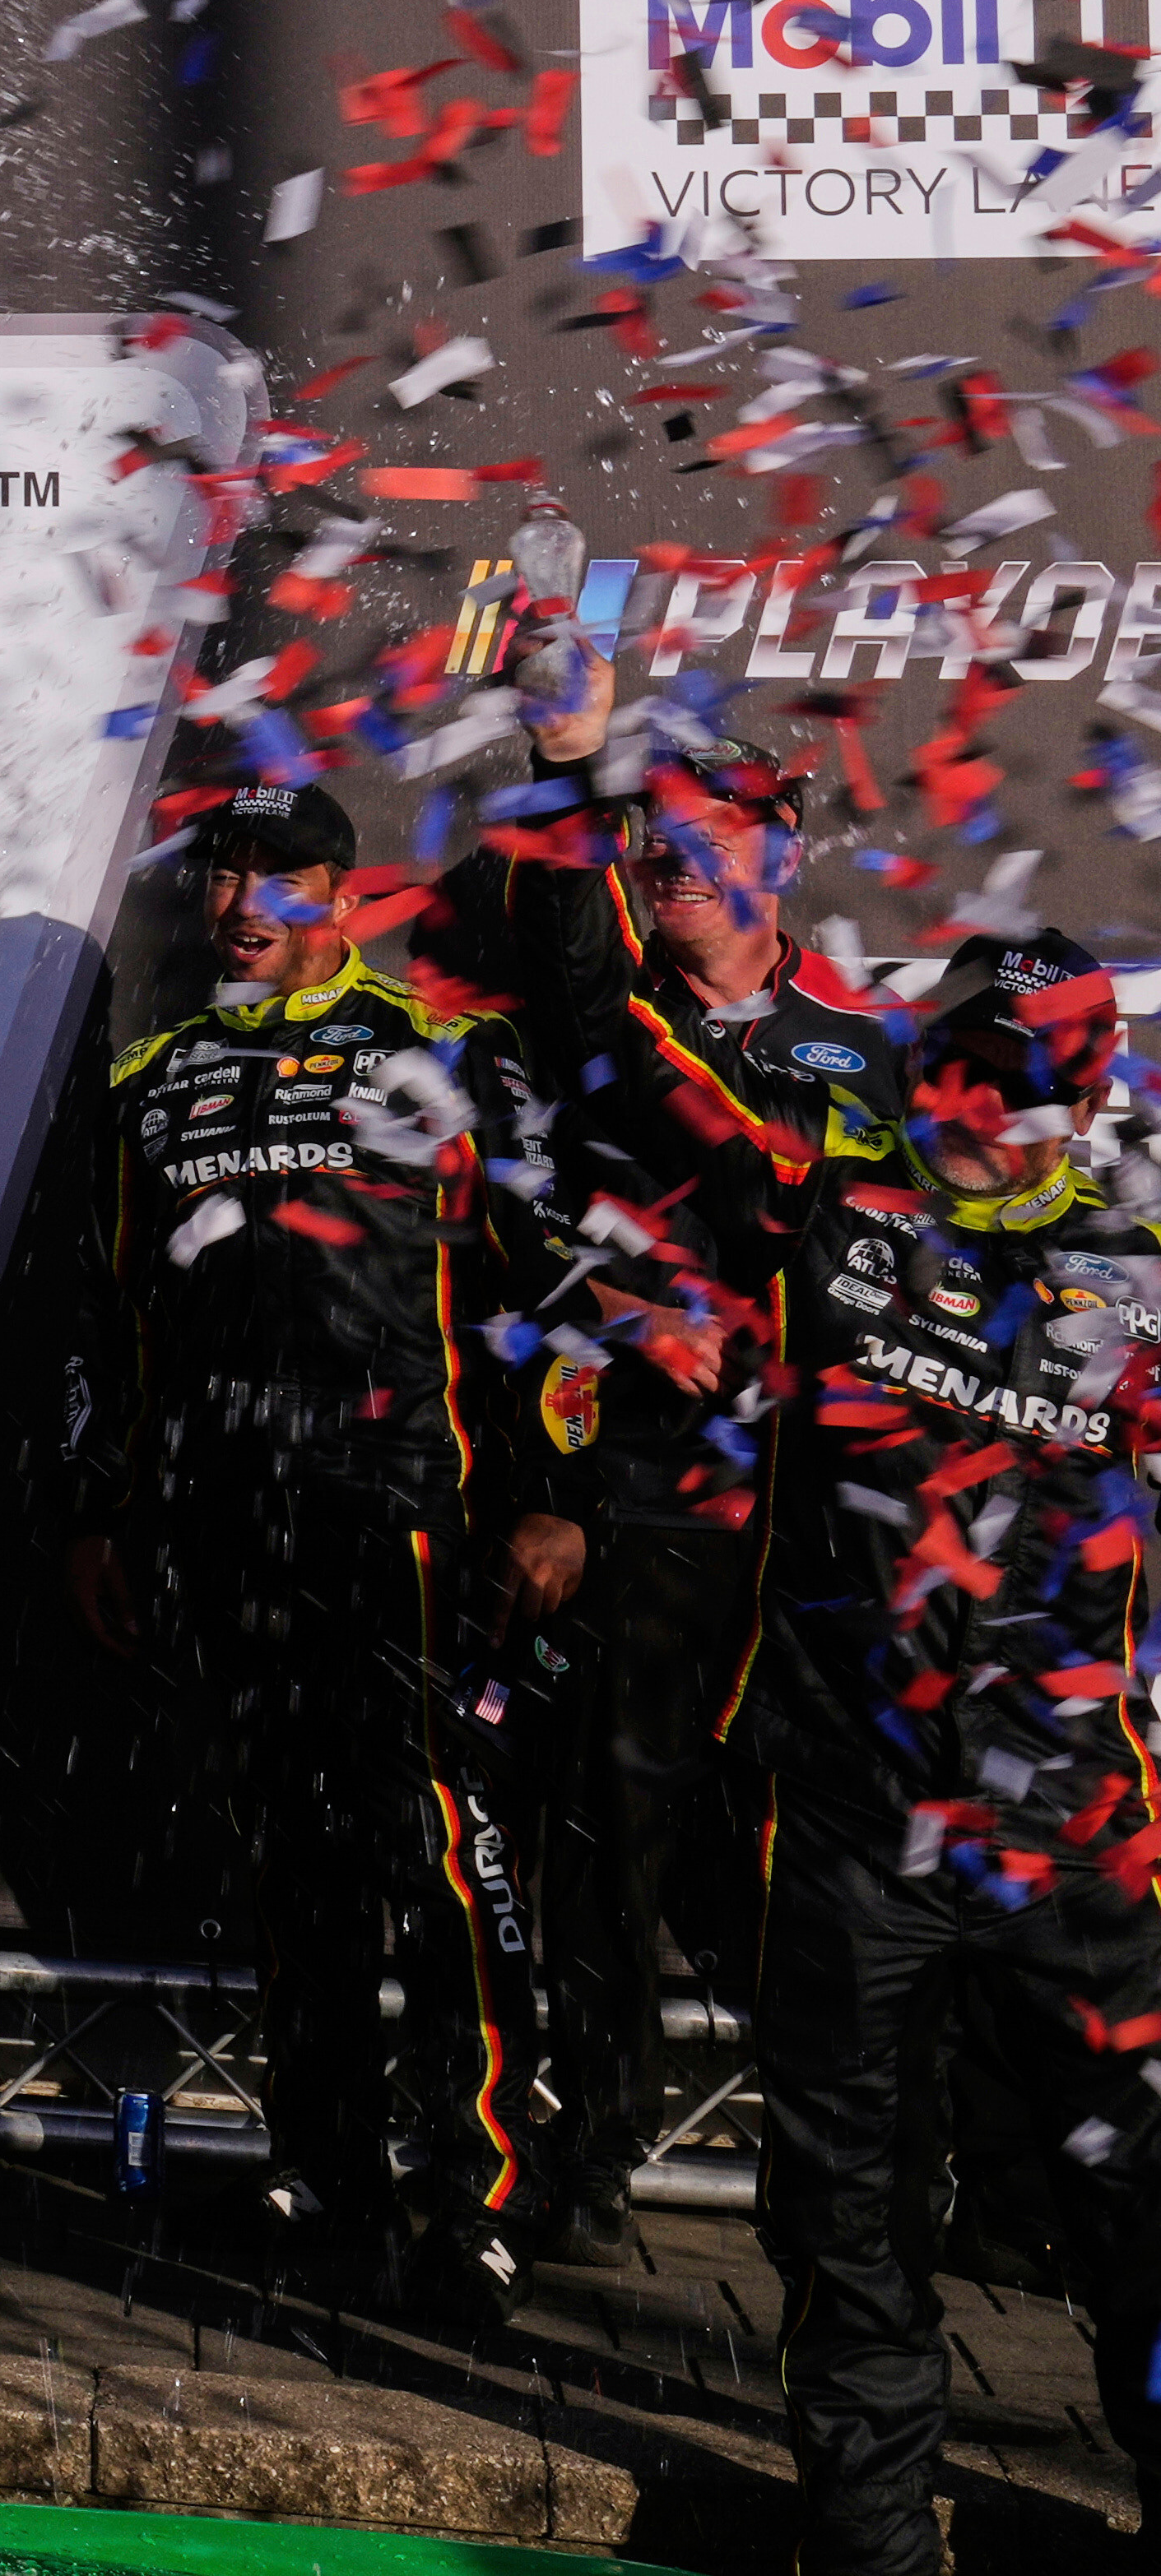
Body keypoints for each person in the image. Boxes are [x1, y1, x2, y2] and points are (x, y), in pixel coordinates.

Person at [60, 780, 559, 2337]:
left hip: (400, 1500)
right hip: (220, 1507)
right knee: (290, 1844)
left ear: (341, 891)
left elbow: (540, 1287)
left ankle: (476, 2195)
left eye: (277, 876)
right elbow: (112, 1315)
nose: (241, 902)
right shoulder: (157, 1072)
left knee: (433, 1841)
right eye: (223, 874)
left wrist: (553, 1496)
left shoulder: (447, 1053)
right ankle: (323, 2162)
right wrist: (103, 1506)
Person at [724, 930, 1161, 2576]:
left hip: (1071, 1826)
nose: (1035, 1099)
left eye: (1069, 1064)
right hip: (854, 1816)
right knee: (843, 2220)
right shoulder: (822, 1210)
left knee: (1137, 2202)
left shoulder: (1130, 1249)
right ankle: (865, 2547)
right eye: (1005, 1064)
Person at [467, 654, 893, 2265]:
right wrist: (569, 751)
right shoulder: (600, 1018)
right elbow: (535, 1252)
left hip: (806, 1519)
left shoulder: (863, 1045)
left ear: (776, 852)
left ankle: (863, 2192)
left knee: (810, 1870)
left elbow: (907, 1275)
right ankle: (584, 2165)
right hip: (634, 1499)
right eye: (651, 838)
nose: (673, 860)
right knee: (606, 1840)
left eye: (708, 835)